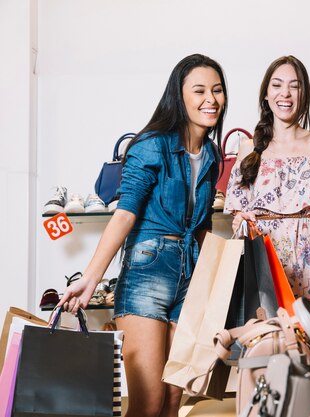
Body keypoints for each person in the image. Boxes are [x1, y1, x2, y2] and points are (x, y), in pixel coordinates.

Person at [58, 54, 228, 417]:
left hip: (191, 278)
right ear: (179, 97)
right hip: (147, 276)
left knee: (172, 402)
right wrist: (91, 278)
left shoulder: (213, 155)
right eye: (199, 90)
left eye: (216, 90)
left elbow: (203, 225)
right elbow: (124, 215)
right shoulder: (151, 144)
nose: (210, 99)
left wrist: (210, 280)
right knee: (148, 404)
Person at [224, 55, 310, 347]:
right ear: (266, 94)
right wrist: (241, 220)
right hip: (266, 257)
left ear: (305, 94)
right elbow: (237, 218)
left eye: (294, 86)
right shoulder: (249, 148)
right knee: (268, 343)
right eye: (277, 85)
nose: (285, 94)